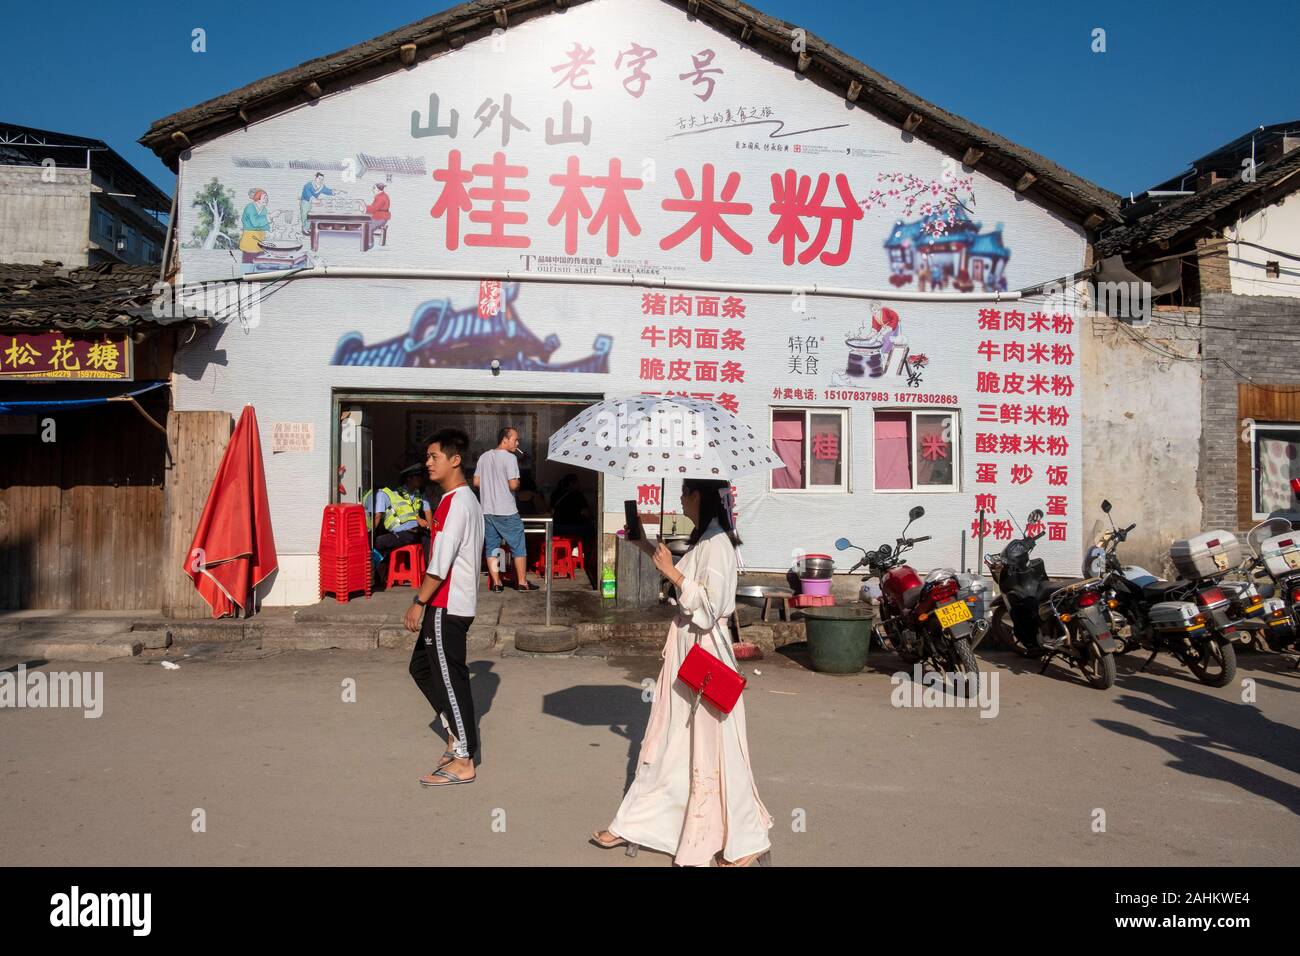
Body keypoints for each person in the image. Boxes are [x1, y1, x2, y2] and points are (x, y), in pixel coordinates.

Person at [592, 479, 773, 866]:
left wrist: (673, 574)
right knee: (670, 736)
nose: (680, 499)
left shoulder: (718, 543)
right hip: (687, 649)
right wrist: (645, 545)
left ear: (698, 496)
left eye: (685, 492)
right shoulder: (703, 539)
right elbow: (684, 583)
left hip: (706, 654)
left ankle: (745, 837)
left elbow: (709, 606)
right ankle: (636, 821)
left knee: (715, 745)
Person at [404, 428, 484, 787]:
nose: (428, 463)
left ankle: (464, 757)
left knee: (452, 679)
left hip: (445, 603)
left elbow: (441, 561)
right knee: (421, 667)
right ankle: (455, 733)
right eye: (427, 457)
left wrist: (419, 601)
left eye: (434, 456)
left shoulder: (457, 502)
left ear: (455, 460)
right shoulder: (458, 499)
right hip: (449, 602)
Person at [473, 426, 537, 593]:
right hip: (507, 511)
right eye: (515, 439)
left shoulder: (484, 457)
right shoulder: (510, 458)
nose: (517, 443)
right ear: (505, 440)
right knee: (518, 547)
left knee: (492, 548)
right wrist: (517, 482)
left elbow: (476, 482)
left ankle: (496, 583)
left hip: (487, 510)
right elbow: (513, 485)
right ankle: (522, 582)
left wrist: (491, 484)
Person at [365, 464, 433, 580]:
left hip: (409, 534)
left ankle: (380, 577)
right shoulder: (395, 494)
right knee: (385, 545)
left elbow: (377, 517)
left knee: (375, 543)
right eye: (417, 476)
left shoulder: (419, 494)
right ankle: (386, 575)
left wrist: (368, 537)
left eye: (421, 476)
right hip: (411, 534)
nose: (420, 479)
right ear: (408, 478)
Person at [550, 472, 590, 537]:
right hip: (575, 528)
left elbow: (551, 512)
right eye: (577, 482)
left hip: (557, 528)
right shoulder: (578, 495)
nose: (579, 484)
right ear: (571, 484)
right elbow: (586, 513)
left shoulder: (555, 494)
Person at [238, 189, 270, 264]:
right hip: (250, 240)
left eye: (267, 198)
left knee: (260, 265)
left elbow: (265, 226)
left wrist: (271, 231)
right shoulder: (250, 207)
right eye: (264, 197)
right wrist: (270, 216)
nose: (266, 200)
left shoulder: (263, 209)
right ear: (257, 198)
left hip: (261, 241)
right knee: (248, 265)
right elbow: (255, 223)